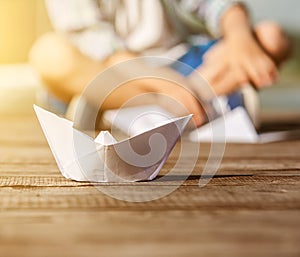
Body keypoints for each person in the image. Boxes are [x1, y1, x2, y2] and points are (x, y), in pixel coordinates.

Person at [29, 0, 291, 127]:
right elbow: (103, 48)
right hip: (112, 74)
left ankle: (170, 110)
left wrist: (239, 37)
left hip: (180, 65)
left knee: (271, 37)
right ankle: (176, 106)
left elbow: (217, 5)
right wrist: (166, 87)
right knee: (48, 54)